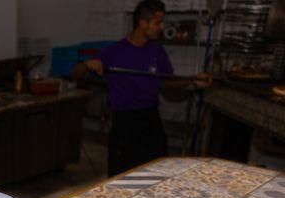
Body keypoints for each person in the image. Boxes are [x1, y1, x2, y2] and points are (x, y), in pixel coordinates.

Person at [73, 0, 211, 177]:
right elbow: (76, 74)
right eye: (158, 22)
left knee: (157, 174)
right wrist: (87, 64)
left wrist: (193, 81)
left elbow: (166, 82)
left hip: (151, 120)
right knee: (121, 177)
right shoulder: (115, 51)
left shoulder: (157, 50)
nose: (161, 27)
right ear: (142, 23)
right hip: (125, 124)